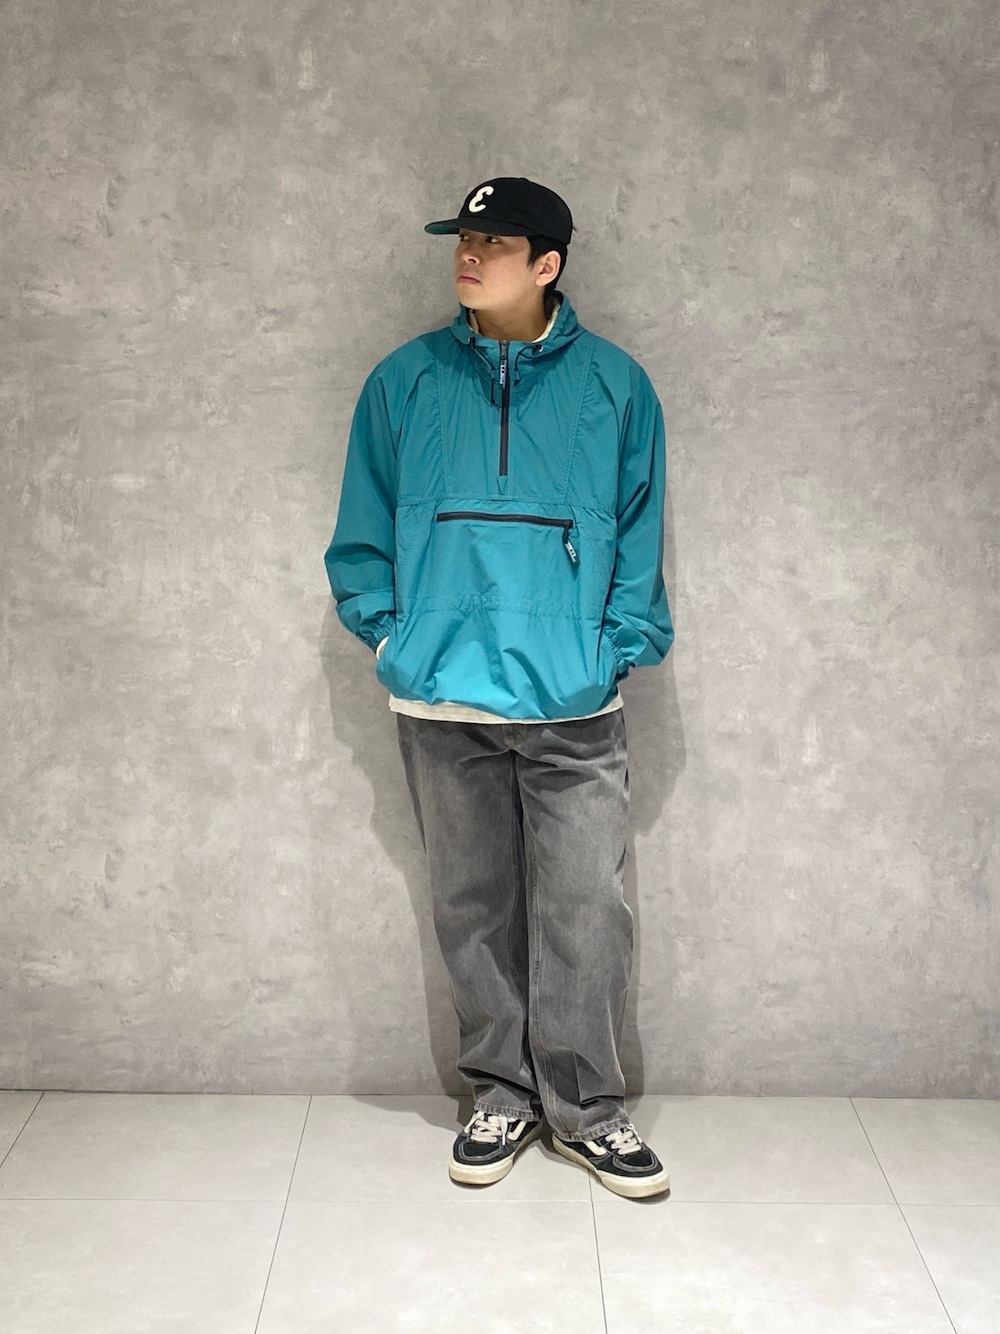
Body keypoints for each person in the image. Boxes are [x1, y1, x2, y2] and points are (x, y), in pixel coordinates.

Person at [325, 177, 674, 1199]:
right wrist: (388, 632)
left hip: (573, 700)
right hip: (441, 695)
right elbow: (363, 522)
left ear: (548, 263)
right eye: (461, 240)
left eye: (492, 242)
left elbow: (641, 529)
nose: (466, 256)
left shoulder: (617, 386)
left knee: (585, 908)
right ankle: (501, 1093)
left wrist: (616, 647)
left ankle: (589, 1109)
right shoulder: (404, 380)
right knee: (471, 905)